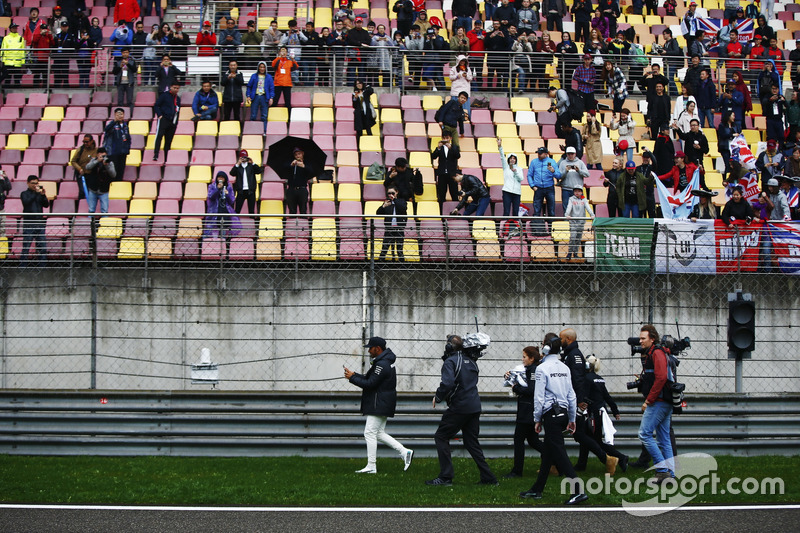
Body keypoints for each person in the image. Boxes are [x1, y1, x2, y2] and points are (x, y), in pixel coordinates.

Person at [519, 334, 587, 504]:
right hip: (564, 413)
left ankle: (578, 490)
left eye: (542, 344)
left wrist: (537, 419)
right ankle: (537, 489)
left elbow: (539, 397)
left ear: (546, 348)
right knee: (548, 453)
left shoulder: (542, 368)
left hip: (551, 414)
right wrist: (572, 418)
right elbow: (572, 395)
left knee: (559, 452)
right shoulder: (564, 367)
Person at [427, 335, 498, 487]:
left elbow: (447, 383)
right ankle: (489, 477)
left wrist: (438, 397)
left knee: (441, 436)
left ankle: (445, 477)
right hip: (474, 406)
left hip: (460, 406)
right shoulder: (472, 361)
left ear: (449, 347)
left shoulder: (451, 361)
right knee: (471, 442)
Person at [344, 336, 414, 473]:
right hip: (383, 402)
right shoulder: (383, 361)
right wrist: (354, 375)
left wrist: (352, 378)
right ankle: (405, 452)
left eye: (370, 348)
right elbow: (370, 379)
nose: (369, 350)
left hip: (379, 403)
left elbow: (370, 384)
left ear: (378, 348)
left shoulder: (382, 364)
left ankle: (371, 466)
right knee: (378, 433)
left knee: (369, 433)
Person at [637, 324, 675, 484]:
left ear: (652, 339)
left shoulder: (657, 353)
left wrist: (648, 400)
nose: (640, 341)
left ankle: (662, 470)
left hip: (658, 401)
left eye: (643, 338)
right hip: (665, 401)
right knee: (664, 437)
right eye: (640, 338)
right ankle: (671, 474)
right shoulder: (656, 352)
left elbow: (661, 378)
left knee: (644, 434)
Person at [503, 346, 544, 478]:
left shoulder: (533, 370)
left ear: (531, 358)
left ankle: (517, 470)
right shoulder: (529, 369)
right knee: (533, 440)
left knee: (519, 440)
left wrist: (516, 387)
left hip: (527, 411)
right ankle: (555, 460)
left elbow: (532, 390)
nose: (522, 359)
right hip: (528, 410)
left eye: (524, 357)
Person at [584, 356, 629, 471]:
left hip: (593, 413)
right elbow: (607, 396)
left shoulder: (587, 379)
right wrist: (615, 411)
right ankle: (581, 464)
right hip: (601, 412)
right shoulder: (599, 379)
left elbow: (585, 396)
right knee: (588, 438)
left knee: (594, 440)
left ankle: (620, 457)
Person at [20, 175, 49, 266]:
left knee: (42, 248)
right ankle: (22, 268)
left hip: (40, 223)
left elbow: (46, 205)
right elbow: (26, 202)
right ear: (28, 183)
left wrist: (43, 195)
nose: (35, 185)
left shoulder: (38, 194)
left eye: (36, 183)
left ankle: (43, 268)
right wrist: (36, 193)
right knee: (26, 247)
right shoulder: (24, 193)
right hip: (29, 223)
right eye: (33, 183)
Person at [527, 147, 560, 226]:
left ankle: (551, 228)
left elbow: (559, 175)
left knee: (551, 209)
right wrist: (532, 186)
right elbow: (529, 175)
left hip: (549, 187)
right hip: (538, 188)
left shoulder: (552, 162)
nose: (538, 155)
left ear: (546, 154)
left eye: (540, 153)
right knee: (537, 209)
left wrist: (553, 171)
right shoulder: (534, 162)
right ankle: (536, 228)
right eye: (538, 153)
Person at [205, 171, 241, 239]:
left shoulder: (229, 187)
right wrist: (217, 189)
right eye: (219, 177)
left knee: (224, 228)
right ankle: (215, 242)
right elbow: (211, 196)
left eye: (222, 178)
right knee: (214, 227)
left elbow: (232, 200)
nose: (220, 179)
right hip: (215, 210)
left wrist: (227, 194)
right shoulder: (212, 186)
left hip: (225, 210)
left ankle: (223, 241)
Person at [376, 187, 408, 261]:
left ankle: (402, 266)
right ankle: (379, 266)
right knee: (384, 249)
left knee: (399, 250)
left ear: (397, 192)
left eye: (392, 193)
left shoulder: (401, 201)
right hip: (389, 228)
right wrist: (383, 206)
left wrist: (395, 200)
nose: (391, 195)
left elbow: (403, 208)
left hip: (399, 228)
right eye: (389, 193)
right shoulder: (387, 202)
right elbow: (378, 213)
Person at [431, 131, 461, 208]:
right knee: (441, 194)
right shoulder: (440, 148)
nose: (445, 139)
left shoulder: (454, 147)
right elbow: (433, 156)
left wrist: (451, 148)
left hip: (452, 174)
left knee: (454, 194)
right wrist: (438, 148)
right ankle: (441, 212)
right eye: (444, 138)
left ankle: (456, 211)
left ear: (450, 138)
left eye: (447, 138)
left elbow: (457, 155)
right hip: (442, 174)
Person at [84, 148, 117, 217]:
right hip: (93, 189)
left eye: (104, 156)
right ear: (97, 155)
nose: (103, 158)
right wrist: (97, 161)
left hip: (104, 190)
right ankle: (90, 226)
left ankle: (104, 226)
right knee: (91, 210)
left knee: (104, 211)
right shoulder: (94, 160)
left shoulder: (109, 162)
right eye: (101, 156)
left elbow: (113, 174)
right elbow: (87, 167)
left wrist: (106, 166)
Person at [153, 83, 181, 162]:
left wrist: (176, 122)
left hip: (173, 121)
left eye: (177, 88)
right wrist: (160, 115)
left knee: (168, 140)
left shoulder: (178, 98)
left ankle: (166, 158)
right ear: (170, 87)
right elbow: (156, 105)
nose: (176, 89)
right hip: (164, 119)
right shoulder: (164, 95)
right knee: (159, 136)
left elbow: (178, 110)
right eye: (174, 87)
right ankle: (156, 154)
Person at [229, 150, 263, 215]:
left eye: (245, 157)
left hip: (251, 191)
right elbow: (232, 173)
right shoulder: (238, 167)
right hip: (240, 191)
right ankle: (235, 223)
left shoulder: (251, 166)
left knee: (251, 211)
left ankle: (252, 222)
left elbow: (259, 171)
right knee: (237, 210)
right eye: (242, 157)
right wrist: (237, 164)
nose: (244, 159)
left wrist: (253, 163)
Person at [564, 187, 593, 260]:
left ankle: (575, 253)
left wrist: (592, 214)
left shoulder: (584, 199)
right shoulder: (571, 199)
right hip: (573, 222)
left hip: (581, 222)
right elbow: (569, 207)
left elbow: (588, 207)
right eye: (575, 191)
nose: (577, 192)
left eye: (579, 191)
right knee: (572, 237)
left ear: (581, 192)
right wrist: (567, 214)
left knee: (578, 238)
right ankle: (570, 253)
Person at [498, 138, 524, 217]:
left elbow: (521, 179)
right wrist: (500, 147)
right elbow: (502, 157)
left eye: (514, 158)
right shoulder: (505, 167)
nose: (512, 160)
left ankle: (515, 227)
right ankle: (505, 227)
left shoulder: (519, 169)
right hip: (507, 191)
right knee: (506, 211)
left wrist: (515, 171)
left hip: (517, 192)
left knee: (515, 212)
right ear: (509, 159)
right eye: (511, 158)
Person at [246, 61, 274, 135]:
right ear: (258, 68)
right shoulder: (254, 76)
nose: (262, 68)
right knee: (253, 115)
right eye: (261, 67)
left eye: (263, 67)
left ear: (266, 68)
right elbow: (249, 86)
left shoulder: (269, 77)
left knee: (264, 115)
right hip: (255, 97)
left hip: (264, 97)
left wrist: (271, 97)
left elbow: (271, 88)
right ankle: (253, 130)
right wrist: (248, 95)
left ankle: (264, 131)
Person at [103, 108, 131, 180]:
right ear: (115, 115)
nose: (120, 116)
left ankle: (119, 186)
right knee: (113, 172)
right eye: (118, 114)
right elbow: (106, 130)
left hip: (123, 152)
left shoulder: (125, 126)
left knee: (121, 171)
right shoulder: (112, 124)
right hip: (113, 152)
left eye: (121, 114)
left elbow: (128, 138)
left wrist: (127, 148)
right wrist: (114, 121)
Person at [283, 147, 312, 214]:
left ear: (302, 154)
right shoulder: (291, 163)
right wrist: (291, 165)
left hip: (302, 189)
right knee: (292, 210)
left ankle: (303, 223)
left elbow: (310, 171)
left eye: (299, 154)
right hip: (291, 189)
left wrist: (303, 166)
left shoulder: (307, 163)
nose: (297, 156)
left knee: (303, 210)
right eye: (296, 155)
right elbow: (284, 170)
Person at [272, 47, 299, 111]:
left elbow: (296, 67)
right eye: (282, 51)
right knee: (274, 102)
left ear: (287, 53)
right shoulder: (277, 60)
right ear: (279, 52)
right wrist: (279, 57)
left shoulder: (289, 61)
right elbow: (273, 65)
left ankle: (288, 119)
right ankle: (271, 116)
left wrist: (293, 59)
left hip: (287, 84)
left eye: (285, 51)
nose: (283, 53)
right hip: (278, 84)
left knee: (287, 103)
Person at [762, 84, 787, 149]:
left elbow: (787, 105)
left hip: (778, 120)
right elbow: (763, 102)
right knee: (771, 136)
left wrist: (784, 101)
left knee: (781, 136)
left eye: (776, 89)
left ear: (778, 90)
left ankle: (781, 149)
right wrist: (770, 100)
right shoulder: (767, 96)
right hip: (770, 120)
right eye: (773, 89)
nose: (774, 90)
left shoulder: (780, 97)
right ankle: (771, 149)